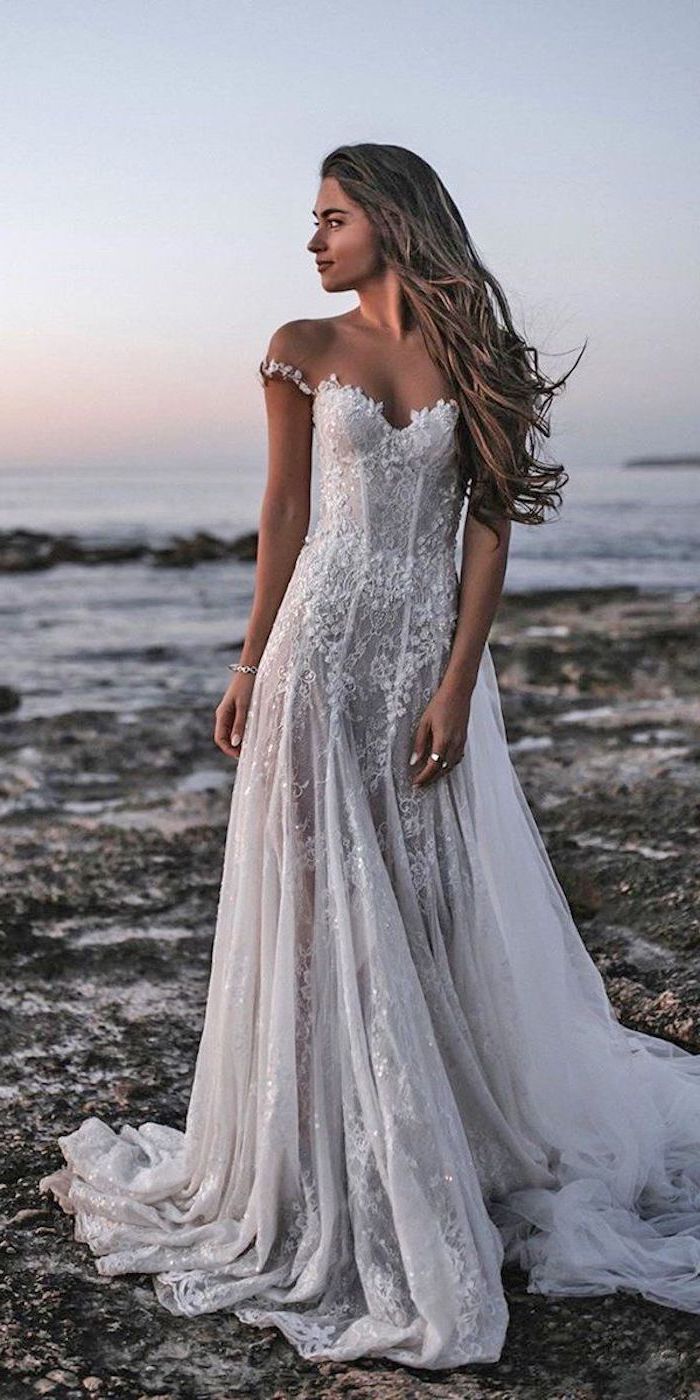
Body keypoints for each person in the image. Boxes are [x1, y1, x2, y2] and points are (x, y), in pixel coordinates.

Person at [40, 143, 700, 1370]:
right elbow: (285, 514)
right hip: (315, 658)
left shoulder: (478, 360)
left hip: (419, 665)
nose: (313, 238)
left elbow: (489, 530)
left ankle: (446, 1131)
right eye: (313, 218)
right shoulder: (303, 341)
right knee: (310, 897)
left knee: (432, 897)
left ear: (390, 220)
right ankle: (319, 1149)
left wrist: (457, 681)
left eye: (332, 216)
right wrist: (246, 666)